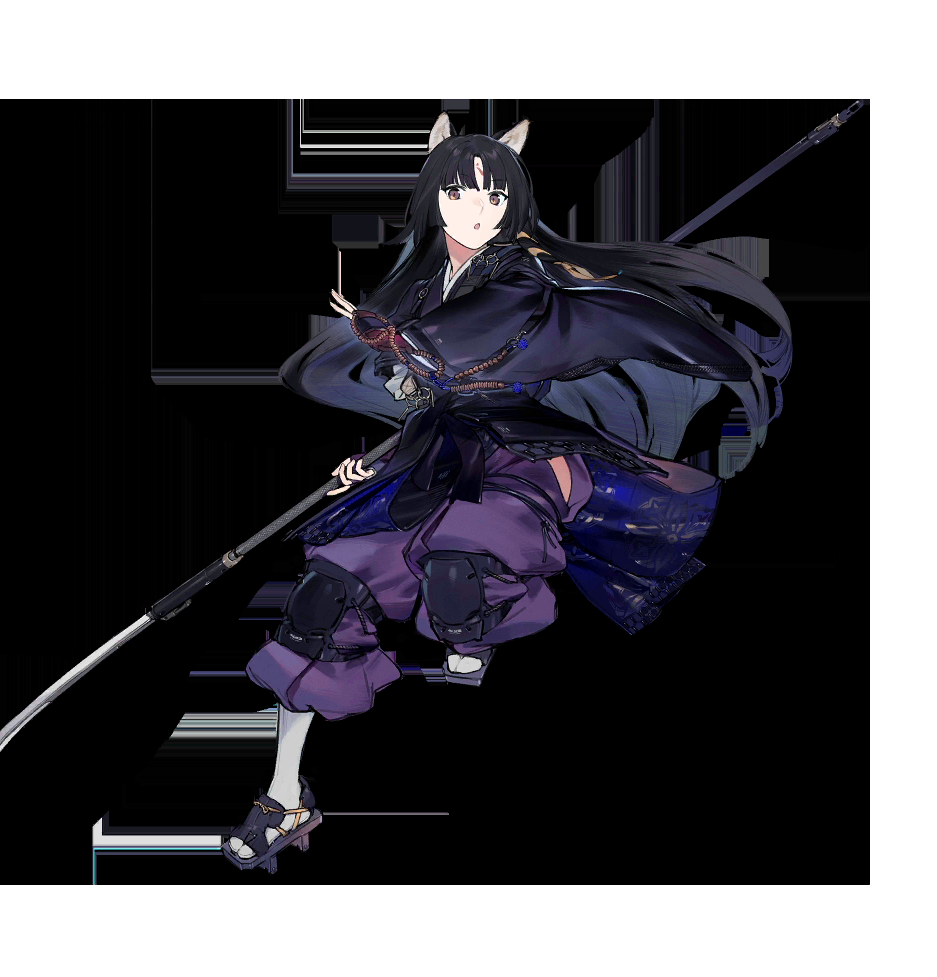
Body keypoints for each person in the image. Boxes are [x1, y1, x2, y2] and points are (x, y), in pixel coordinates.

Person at [222, 113, 792, 871]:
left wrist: (402, 343)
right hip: (437, 453)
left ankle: (470, 632)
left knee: (461, 565)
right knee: (321, 600)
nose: (478, 210)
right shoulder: (418, 280)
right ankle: (284, 795)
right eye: (461, 192)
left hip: (522, 452)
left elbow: (465, 339)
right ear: (434, 193)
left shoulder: (523, 273)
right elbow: (421, 390)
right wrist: (376, 458)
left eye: (495, 195)